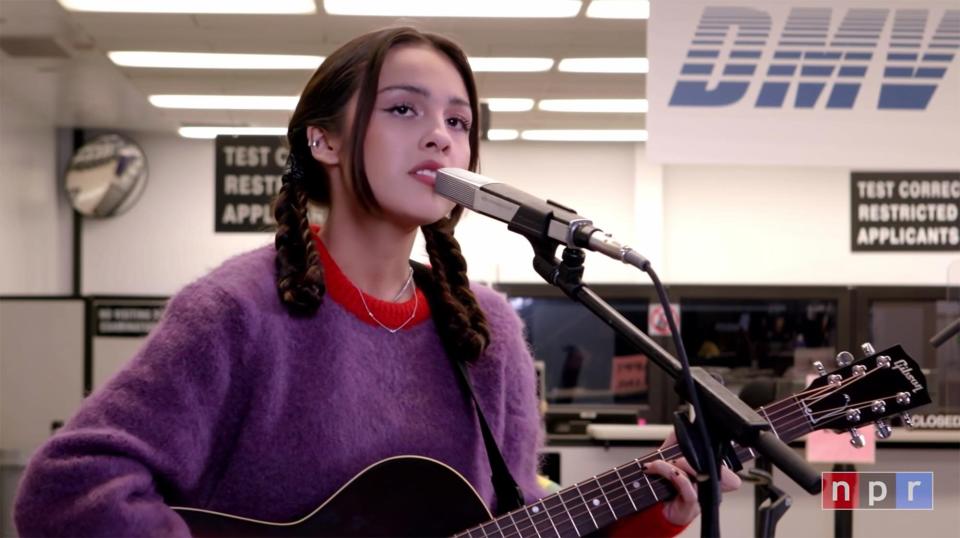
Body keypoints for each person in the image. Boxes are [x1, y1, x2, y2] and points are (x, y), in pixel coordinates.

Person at [14, 26, 737, 536]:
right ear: (321, 140)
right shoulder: (235, 310)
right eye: (404, 109)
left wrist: (648, 518)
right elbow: (68, 486)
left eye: (459, 120)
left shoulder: (486, 332)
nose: (440, 136)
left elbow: (517, 527)